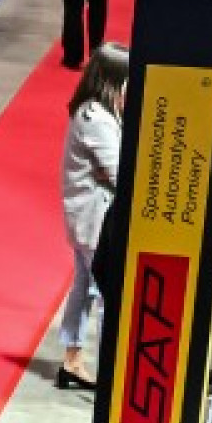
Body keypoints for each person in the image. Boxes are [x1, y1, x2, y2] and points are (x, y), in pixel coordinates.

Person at [56, 46, 128, 389]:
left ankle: (72, 359)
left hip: (87, 215)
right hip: (94, 219)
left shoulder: (92, 110)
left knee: (84, 286)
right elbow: (120, 173)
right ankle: (108, 367)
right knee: (103, 291)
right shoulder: (97, 118)